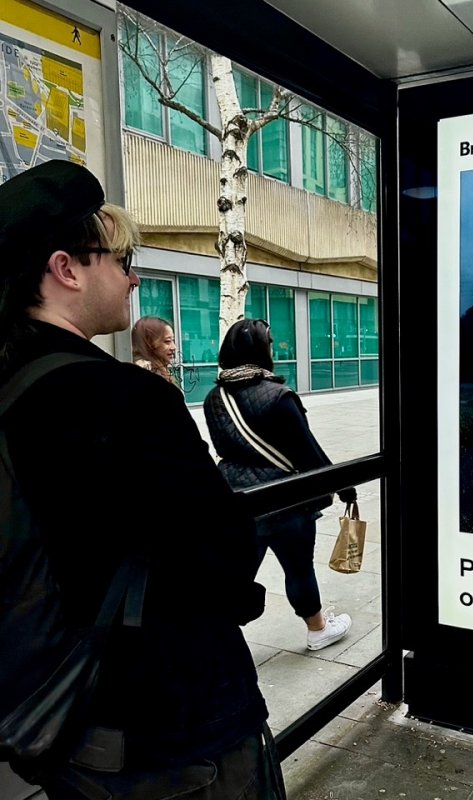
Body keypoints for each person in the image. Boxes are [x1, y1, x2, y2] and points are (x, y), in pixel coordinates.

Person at [0, 161, 286, 799]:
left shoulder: (12, 395)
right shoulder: (123, 399)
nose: (131, 277)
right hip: (177, 728)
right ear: (66, 269)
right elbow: (224, 555)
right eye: (119, 257)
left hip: (59, 719)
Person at [204, 318, 355, 652]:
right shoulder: (279, 396)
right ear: (262, 350)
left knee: (235, 574)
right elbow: (309, 452)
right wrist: (344, 485)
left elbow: (222, 448)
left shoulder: (214, 397)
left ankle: (218, 637)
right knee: (298, 567)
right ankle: (317, 629)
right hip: (287, 501)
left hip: (238, 500)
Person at [131, 315, 178, 385]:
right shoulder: (147, 373)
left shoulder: (160, 369)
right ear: (149, 343)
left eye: (173, 340)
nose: (174, 347)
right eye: (167, 341)